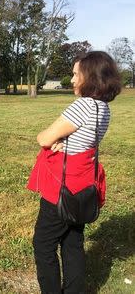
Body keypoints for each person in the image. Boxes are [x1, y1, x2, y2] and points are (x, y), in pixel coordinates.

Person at [26, 51, 122, 293]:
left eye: (75, 74)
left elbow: (44, 138)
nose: (71, 80)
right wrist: (64, 142)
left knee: (44, 244)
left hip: (62, 185)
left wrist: (55, 141)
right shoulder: (103, 108)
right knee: (72, 241)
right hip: (83, 184)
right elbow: (81, 140)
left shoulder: (84, 105)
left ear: (89, 77)